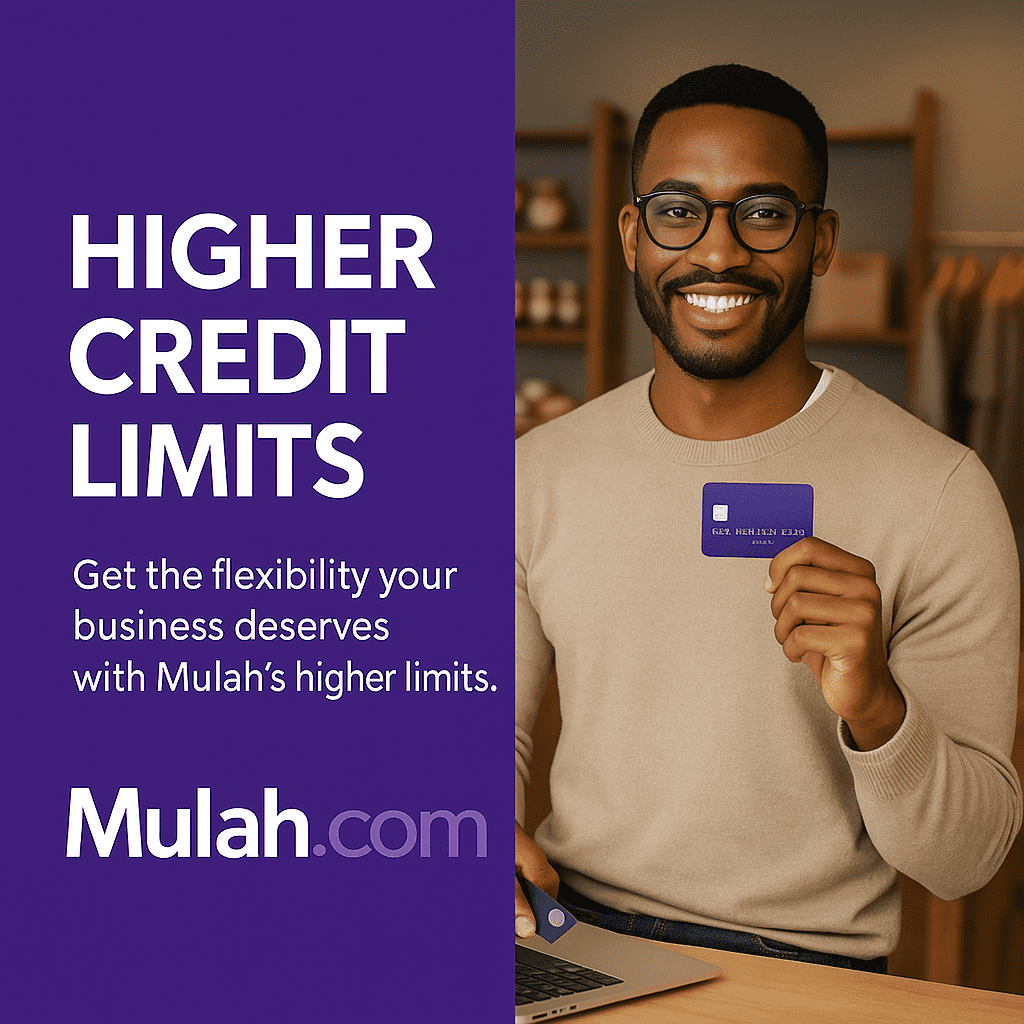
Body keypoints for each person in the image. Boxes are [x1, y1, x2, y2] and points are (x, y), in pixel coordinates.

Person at [514, 64, 1021, 973]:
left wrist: (877, 707)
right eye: (678, 209)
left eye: (764, 212)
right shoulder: (537, 472)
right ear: (631, 234)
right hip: (574, 943)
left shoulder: (942, 491)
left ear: (820, 241)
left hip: (808, 970)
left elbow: (965, 862)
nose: (716, 253)